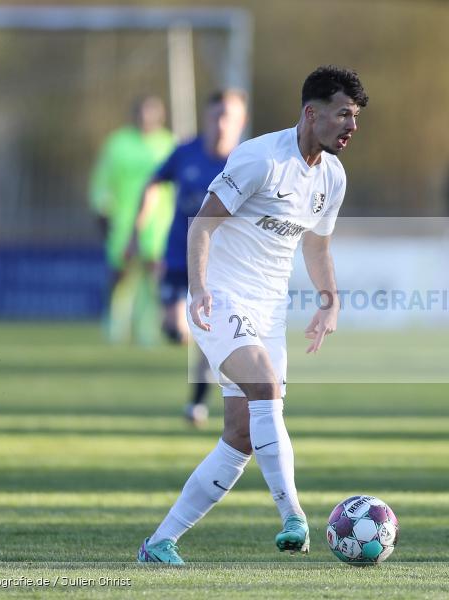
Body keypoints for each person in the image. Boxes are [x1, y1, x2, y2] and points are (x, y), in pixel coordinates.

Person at [137, 66, 368, 564]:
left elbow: (317, 245)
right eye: (343, 115)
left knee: (241, 434)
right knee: (267, 388)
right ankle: (293, 516)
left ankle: (159, 543)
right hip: (221, 299)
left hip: (268, 311)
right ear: (311, 113)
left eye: (355, 117)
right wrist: (198, 290)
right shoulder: (260, 158)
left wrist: (330, 299)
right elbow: (201, 227)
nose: (352, 126)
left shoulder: (332, 176)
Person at [130, 90, 249, 427]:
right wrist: (135, 233)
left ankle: (196, 403)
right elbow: (152, 184)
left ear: (242, 122)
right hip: (178, 256)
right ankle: (186, 335)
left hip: (221, 264)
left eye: (229, 116)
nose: (221, 123)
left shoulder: (247, 161)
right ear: (207, 117)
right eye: (216, 115)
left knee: (205, 331)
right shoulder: (185, 153)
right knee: (175, 329)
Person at [89, 95, 175, 345]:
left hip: (159, 224)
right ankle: (115, 329)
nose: (146, 118)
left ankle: (148, 332)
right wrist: (103, 210)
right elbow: (102, 182)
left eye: (152, 112)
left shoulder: (169, 144)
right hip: (124, 221)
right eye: (142, 112)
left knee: (155, 277)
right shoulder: (118, 143)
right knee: (121, 275)